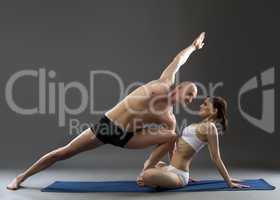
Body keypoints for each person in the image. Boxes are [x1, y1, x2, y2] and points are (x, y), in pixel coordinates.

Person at [7, 32, 205, 190]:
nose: (188, 99)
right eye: (188, 93)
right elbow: (179, 60)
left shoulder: (169, 117)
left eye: (191, 98)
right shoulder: (162, 84)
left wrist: (177, 170)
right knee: (63, 153)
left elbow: (171, 148)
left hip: (128, 138)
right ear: (179, 88)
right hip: (107, 127)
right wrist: (193, 47)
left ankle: (148, 167)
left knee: (172, 135)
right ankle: (21, 177)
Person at [137, 96, 250, 189]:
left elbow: (216, 158)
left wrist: (228, 182)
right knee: (150, 163)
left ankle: (156, 181)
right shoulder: (196, 125)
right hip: (171, 168)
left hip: (179, 175)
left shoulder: (210, 128)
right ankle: (159, 180)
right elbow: (178, 148)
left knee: (147, 174)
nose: (201, 106)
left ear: (214, 111)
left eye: (205, 104)